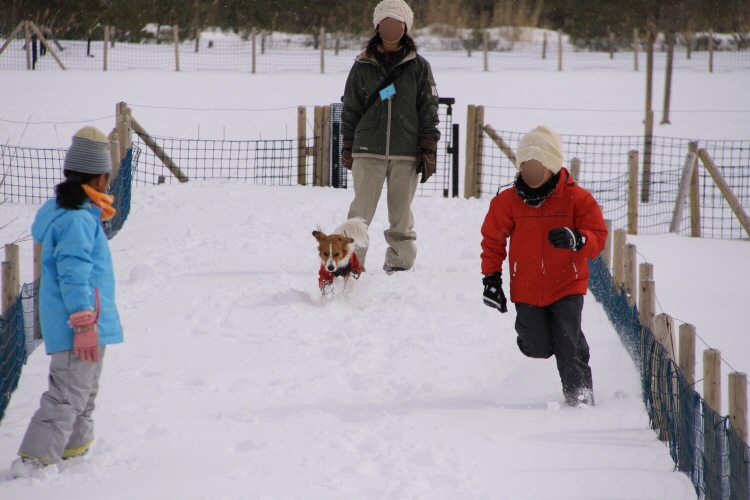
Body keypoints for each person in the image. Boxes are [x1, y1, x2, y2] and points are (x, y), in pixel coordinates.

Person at [12, 126, 123, 475]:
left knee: (83, 391)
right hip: (81, 323)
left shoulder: (80, 212)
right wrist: (84, 322)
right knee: (67, 395)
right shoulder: (75, 219)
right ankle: (34, 462)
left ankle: (73, 452)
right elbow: (74, 274)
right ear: (100, 177)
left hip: (90, 320)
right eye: (108, 176)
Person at [480, 126, 608, 407]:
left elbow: (598, 238)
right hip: (526, 287)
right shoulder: (506, 201)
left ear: (551, 165)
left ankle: (580, 399)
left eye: (538, 164)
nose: (531, 170)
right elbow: (493, 240)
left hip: (567, 284)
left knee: (567, 345)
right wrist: (491, 279)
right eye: (526, 164)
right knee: (537, 347)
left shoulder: (577, 198)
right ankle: (566, 338)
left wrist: (577, 239)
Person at [341, 0, 440, 274]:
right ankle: (351, 262)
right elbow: (350, 107)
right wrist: (348, 146)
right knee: (359, 213)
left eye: (396, 23)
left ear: (405, 28)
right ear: (377, 27)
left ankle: (400, 263)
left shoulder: (419, 66)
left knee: (401, 215)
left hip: (406, 151)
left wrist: (428, 147)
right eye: (386, 23)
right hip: (367, 150)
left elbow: (428, 107)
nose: (391, 28)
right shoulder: (362, 65)